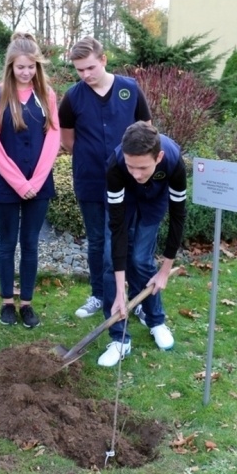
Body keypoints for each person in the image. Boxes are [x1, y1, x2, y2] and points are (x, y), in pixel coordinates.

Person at [59, 36, 153, 319]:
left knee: (129, 240)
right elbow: (67, 140)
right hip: (89, 179)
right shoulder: (72, 97)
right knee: (97, 240)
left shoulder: (129, 89)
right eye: (80, 70)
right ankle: (99, 295)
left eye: (90, 67)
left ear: (103, 60)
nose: (85, 75)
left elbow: (147, 133)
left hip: (128, 181)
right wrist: (92, 157)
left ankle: (135, 299)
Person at [0, 33, 60, 328]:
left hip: (39, 185)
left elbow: (53, 138)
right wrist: (19, 182)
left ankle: (26, 303)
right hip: (6, 184)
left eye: (31, 67)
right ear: (10, 67)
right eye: (20, 67)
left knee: (30, 244)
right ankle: (6, 303)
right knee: (6, 243)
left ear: (37, 66)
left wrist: (36, 181)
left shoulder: (46, 95)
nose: (26, 72)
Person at [97, 121, 187, 367]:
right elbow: (117, 230)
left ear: (158, 157)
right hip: (124, 200)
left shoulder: (174, 161)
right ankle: (119, 339)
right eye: (131, 166)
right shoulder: (116, 166)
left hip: (153, 201)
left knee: (140, 259)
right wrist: (120, 292)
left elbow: (178, 216)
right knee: (110, 260)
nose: (136, 174)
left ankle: (155, 320)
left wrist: (165, 271)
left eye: (143, 167)